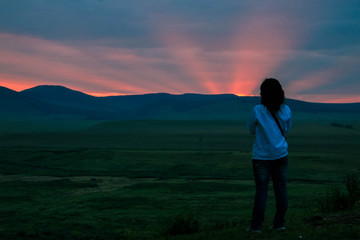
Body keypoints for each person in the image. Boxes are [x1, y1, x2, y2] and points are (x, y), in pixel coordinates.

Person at [247, 78, 292, 232]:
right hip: (281, 154)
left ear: (263, 94)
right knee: (281, 189)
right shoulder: (286, 110)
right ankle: (280, 224)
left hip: (261, 157)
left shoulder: (257, 110)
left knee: (261, 191)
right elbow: (286, 130)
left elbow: (251, 130)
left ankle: (256, 227)